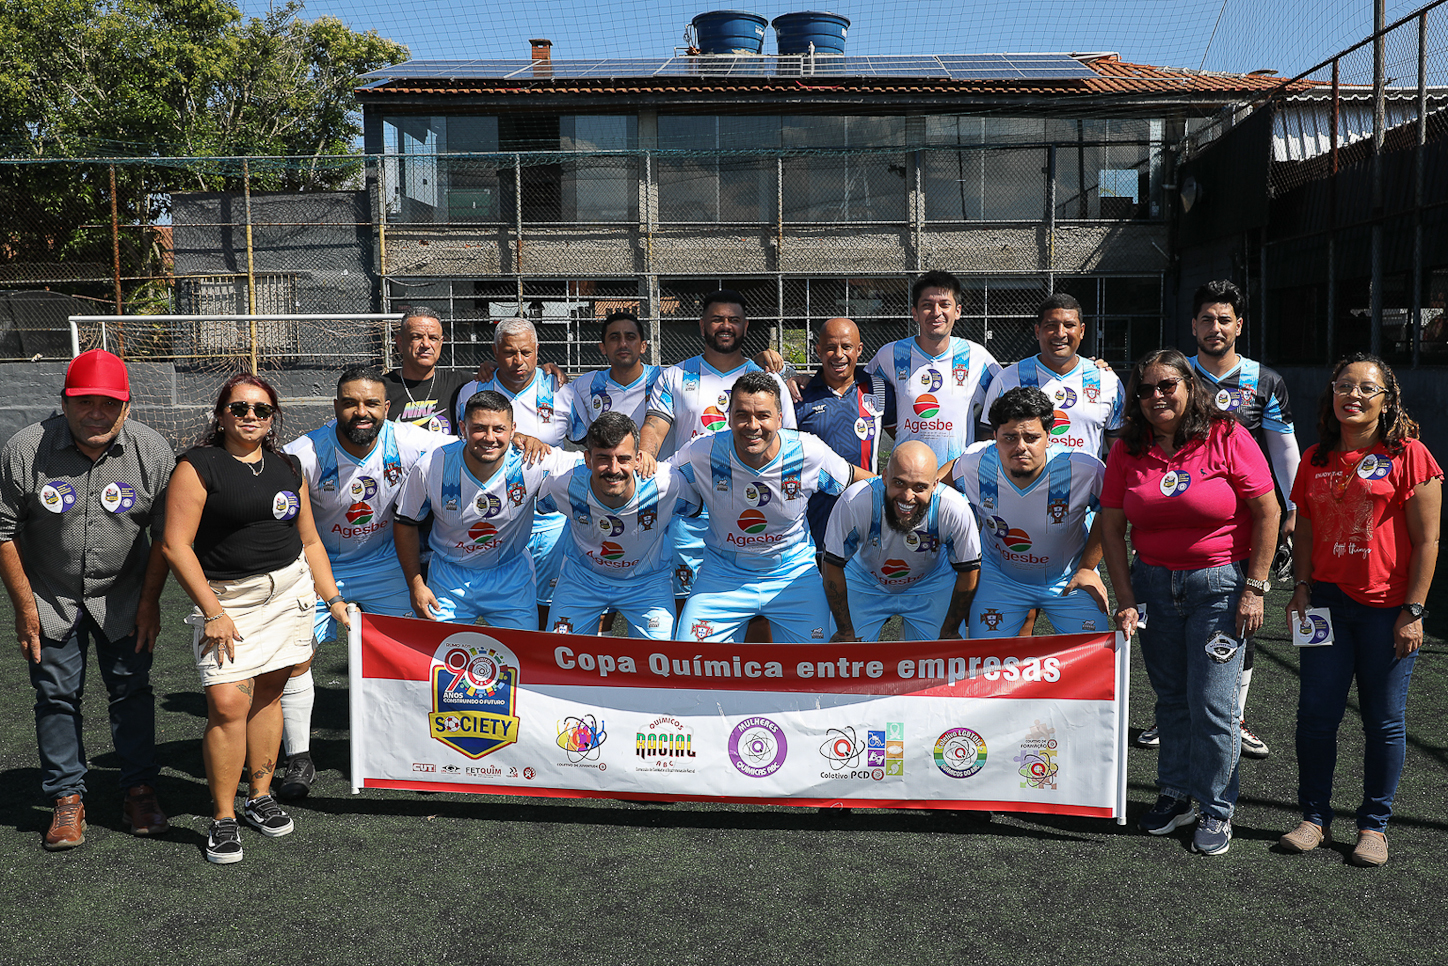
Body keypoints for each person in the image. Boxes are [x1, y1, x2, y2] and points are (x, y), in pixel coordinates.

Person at [162, 375, 349, 864]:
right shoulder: (197, 466)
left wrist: (332, 599)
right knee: (226, 704)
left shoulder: (287, 466)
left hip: (290, 595)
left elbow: (309, 541)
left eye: (261, 410)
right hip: (229, 602)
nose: (250, 417)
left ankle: (259, 797)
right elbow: (175, 546)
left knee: (269, 695)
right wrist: (213, 612)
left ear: (273, 419)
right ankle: (223, 818)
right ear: (220, 413)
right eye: (240, 408)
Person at [1100, 348, 1279, 857]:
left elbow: (1267, 512)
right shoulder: (1128, 449)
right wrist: (1127, 596)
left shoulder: (1226, 435)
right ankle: (1175, 794)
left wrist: (1255, 587)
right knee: (1172, 699)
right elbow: (1113, 529)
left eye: (1167, 386)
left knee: (1213, 705)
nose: (1156, 396)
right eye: (1145, 389)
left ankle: (1216, 808)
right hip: (1154, 585)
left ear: (1188, 387)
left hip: (1219, 586)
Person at [0, 349, 173, 851]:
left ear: (127, 406)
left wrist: (150, 602)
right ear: (64, 401)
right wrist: (24, 606)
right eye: (84, 402)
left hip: (124, 595)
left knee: (132, 692)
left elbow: (165, 536)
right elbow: (3, 531)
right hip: (49, 595)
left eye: (108, 403)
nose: (96, 413)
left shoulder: (151, 450)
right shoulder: (26, 449)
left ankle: (138, 789)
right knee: (54, 695)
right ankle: (66, 798)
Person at [1279, 353, 1441, 866]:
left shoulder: (1410, 455)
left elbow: (1428, 540)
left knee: (1384, 720)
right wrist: (1301, 585)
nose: (1353, 395)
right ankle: (1314, 819)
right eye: (1344, 386)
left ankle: (1374, 826)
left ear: (1387, 401)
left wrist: (1413, 610)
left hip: (1386, 610)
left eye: (1367, 389)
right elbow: (1303, 528)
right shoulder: (1316, 458)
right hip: (1326, 603)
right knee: (1316, 716)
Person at [1139, 279, 1299, 758]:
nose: (1214, 327)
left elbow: (1284, 448)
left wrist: (1291, 510)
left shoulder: (1264, 380)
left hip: (1239, 526)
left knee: (1235, 622)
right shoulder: (1171, 376)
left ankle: (1235, 715)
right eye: (1206, 318)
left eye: (1224, 319)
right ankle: (1172, 715)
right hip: (1174, 522)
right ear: (1192, 324)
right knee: (1169, 625)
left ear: (1239, 325)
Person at [278, 365, 451, 798]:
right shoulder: (303, 453)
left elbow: (471, 448)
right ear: (336, 406)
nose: (361, 412)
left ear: (387, 408)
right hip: (317, 566)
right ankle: (298, 758)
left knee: (405, 653)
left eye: (371, 404)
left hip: (383, 565)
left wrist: (526, 440)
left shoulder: (412, 441)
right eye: (351, 403)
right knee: (296, 658)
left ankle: (406, 748)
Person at [671, 371, 869, 643]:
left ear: (779, 418)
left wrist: (908, 486)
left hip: (793, 576)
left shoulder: (807, 451)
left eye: (763, 415)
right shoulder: (702, 452)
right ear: (729, 418)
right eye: (742, 415)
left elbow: (857, 481)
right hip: (723, 576)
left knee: (815, 667)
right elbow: (656, 479)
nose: (752, 425)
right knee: (690, 660)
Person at [639, 289, 796, 606]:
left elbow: (787, 444)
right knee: (686, 599)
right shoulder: (675, 376)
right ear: (702, 325)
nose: (726, 326)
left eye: (734, 320)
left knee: (752, 603)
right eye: (717, 319)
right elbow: (655, 425)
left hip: (749, 508)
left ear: (746, 326)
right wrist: (644, 455)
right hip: (692, 511)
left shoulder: (767, 380)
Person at [395, 390, 579, 629]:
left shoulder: (532, 461)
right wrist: (416, 583)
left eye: (499, 429)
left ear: (513, 430)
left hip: (510, 577)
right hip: (450, 577)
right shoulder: (432, 465)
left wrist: (641, 458)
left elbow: (593, 460)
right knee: (438, 657)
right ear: (463, 427)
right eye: (480, 428)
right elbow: (405, 522)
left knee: (521, 656)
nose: (489, 438)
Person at [946, 387, 1110, 638]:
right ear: (995, 437)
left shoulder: (1084, 469)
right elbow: (934, 486)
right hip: (1000, 580)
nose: (1020, 447)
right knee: (985, 667)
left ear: (1048, 435)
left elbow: (1112, 512)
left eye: (1031, 438)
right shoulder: (975, 463)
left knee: (1094, 660)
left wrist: (1087, 567)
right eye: (1009, 438)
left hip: (1068, 577)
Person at [455, 319, 575, 628]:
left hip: (551, 524)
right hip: (493, 522)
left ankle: (543, 669)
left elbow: (586, 446)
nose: (518, 361)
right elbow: (461, 449)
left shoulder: (562, 390)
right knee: (497, 611)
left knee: (547, 606)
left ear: (537, 351)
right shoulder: (473, 390)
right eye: (508, 352)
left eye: (525, 352)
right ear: (494, 351)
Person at [538, 412, 698, 639]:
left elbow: (695, 508)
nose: (614, 469)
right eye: (603, 458)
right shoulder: (563, 484)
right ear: (587, 459)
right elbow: (541, 505)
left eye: (623, 458)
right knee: (561, 654)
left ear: (639, 458)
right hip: (582, 583)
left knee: (657, 664)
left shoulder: (667, 484)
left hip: (647, 585)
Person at [822, 441, 980, 642]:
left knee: (937, 663)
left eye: (920, 487)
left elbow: (969, 571)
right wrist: (844, 631)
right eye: (899, 483)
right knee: (845, 663)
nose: (907, 496)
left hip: (930, 583)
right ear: (885, 476)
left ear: (935, 485)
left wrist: (950, 630)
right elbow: (832, 565)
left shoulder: (954, 508)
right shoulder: (854, 501)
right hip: (865, 582)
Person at [866, 270, 1001, 466]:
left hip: (956, 476)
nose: (936, 312)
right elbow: (856, 391)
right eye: (927, 305)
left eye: (945, 305)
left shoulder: (977, 357)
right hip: (906, 476)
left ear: (958, 311)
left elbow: (1006, 400)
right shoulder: (891, 354)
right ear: (915, 312)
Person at [977, 293, 1125, 458]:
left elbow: (1120, 451)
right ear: (1037, 331)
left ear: (1082, 331)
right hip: (1023, 484)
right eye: (1051, 325)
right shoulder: (1007, 379)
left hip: (1087, 484)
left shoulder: (1107, 381)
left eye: (1069, 325)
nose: (1060, 333)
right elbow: (989, 444)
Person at [795, 317, 892, 557]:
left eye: (846, 347)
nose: (838, 354)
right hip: (817, 512)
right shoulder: (800, 396)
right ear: (818, 351)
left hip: (867, 505)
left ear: (858, 350)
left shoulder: (879, 389)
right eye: (830, 347)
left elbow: (904, 436)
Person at [566, 310, 664, 442]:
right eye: (614, 338)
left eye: (630, 337)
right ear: (603, 347)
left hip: (657, 463)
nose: (623, 344)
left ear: (643, 346)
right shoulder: (585, 385)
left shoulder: (664, 380)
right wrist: (548, 373)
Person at [383, 307, 471, 435]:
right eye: (416, 337)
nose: (426, 344)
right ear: (400, 343)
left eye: (433, 338)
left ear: (441, 343)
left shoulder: (461, 384)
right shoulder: (380, 388)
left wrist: (491, 367)